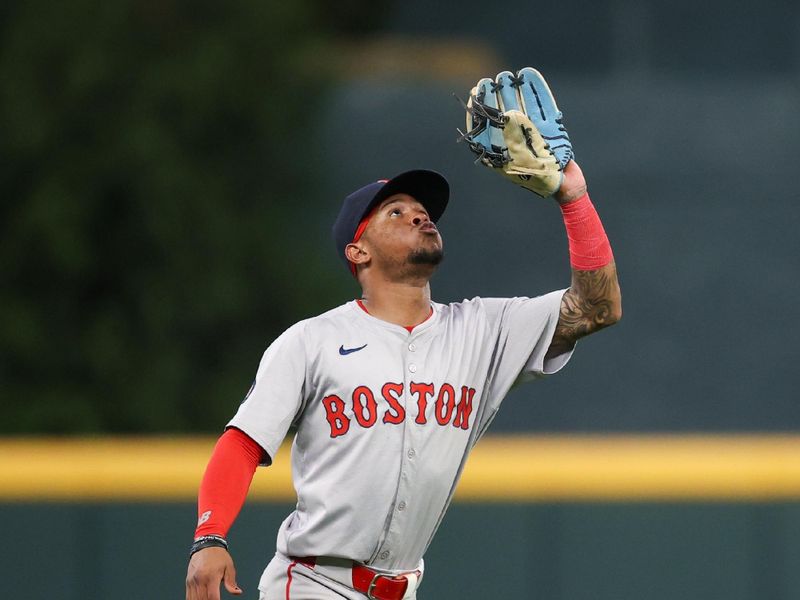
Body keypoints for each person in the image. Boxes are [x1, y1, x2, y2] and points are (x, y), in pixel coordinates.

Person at [185, 77, 621, 600]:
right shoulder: (311, 341)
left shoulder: (484, 331)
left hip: (403, 587)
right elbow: (242, 442)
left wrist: (573, 197)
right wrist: (209, 536)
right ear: (358, 252)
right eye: (396, 212)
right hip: (313, 582)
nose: (421, 215)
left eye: (425, 212)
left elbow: (597, 307)